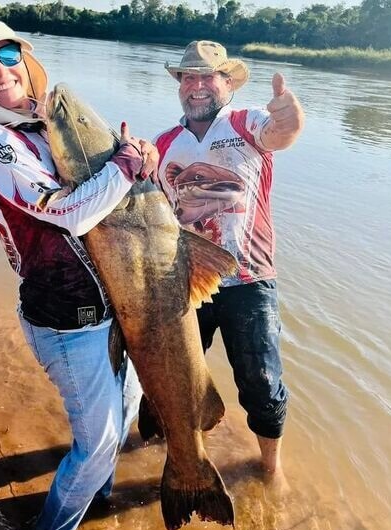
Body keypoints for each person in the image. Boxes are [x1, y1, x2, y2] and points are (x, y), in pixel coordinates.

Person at [0, 17, 159, 530]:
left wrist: (139, 166)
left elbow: (116, 201)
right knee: (99, 443)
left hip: (116, 309)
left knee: (128, 407)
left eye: (5, 55)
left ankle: (98, 499)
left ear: (25, 56)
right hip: (66, 323)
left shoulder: (46, 124)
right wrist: (125, 167)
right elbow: (67, 213)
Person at [154, 40, 304, 477]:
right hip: (183, 281)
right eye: (189, 77)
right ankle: (179, 451)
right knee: (174, 378)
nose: (197, 86)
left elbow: (282, 133)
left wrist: (289, 116)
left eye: (207, 77)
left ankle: (271, 469)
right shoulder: (164, 144)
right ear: (180, 85)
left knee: (260, 380)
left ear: (227, 83)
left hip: (249, 277)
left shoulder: (245, 123)